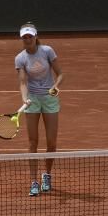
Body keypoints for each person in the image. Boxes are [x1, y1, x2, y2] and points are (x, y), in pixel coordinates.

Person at [14, 22, 63, 197]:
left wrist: (56, 86)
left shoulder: (47, 51)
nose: (27, 39)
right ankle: (34, 181)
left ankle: (47, 176)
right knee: (32, 142)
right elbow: (22, 82)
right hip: (32, 100)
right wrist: (24, 98)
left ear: (35, 37)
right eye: (24, 37)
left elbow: (61, 74)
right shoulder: (20, 58)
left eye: (30, 36)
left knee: (52, 143)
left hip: (50, 99)